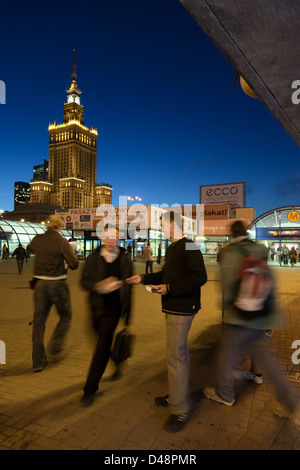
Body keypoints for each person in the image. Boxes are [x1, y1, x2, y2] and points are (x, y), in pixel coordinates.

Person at [203, 220, 300, 418]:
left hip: (239, 318)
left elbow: (228, 290)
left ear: (232, 234)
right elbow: (270, 283)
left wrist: (226, 310)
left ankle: (225, 394)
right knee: (270, 362)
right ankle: (291, 402)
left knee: (225, 357)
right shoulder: (260, 250)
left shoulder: (230, 254)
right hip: (261, 317)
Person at [127, 211, 207, 432]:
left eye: (162, 224)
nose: (161, 228)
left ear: (174, 224)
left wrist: (169, 289)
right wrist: (142, 278)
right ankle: (176, 395)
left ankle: (180, 409)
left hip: (182, 309)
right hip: (173, 307)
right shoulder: (172, 248)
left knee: (176, 357)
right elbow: (166, 275)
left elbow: (200, 277)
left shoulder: (189, 245)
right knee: (177, 355)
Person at [80, 228, 133, 407]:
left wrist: (128, 316)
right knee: (101, 344)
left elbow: (129, 287)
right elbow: (84, 281)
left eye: (115, 237)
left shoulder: (125, 259)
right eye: (108, 237)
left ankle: (89, 389)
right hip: (96, 308)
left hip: (114, 310)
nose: (111, 240)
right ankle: (116, 361)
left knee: (101, 346)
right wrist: (97, 286)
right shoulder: (93, 258)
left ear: (119, 238)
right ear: (102, 238)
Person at [27, 215, 79, 372]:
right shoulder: (62, 241)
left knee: (38, 323)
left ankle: (38, 362)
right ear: (60, 226)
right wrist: (68, 259)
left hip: (40, 285)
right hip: (57, 283)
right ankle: (54, 348)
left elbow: (30, 249)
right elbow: (74, 264)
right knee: (65, 316)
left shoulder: (37, 239)